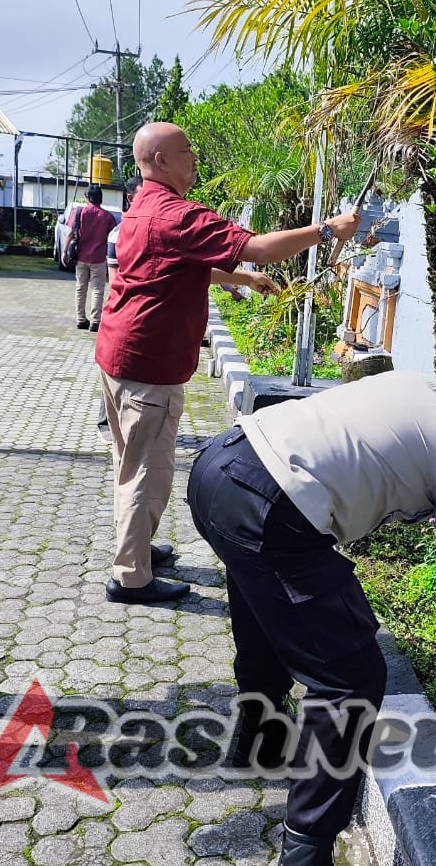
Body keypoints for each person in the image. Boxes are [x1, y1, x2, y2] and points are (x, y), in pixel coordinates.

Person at [186, 368, 436, 865]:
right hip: (276, 505)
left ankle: (260, 741)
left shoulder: (415, 385)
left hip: (219, 465)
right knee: (352, 680)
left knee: (267, 613)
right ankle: (306, 852)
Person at [96, 121, 362, 604]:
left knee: (130, 463)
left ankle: (135, 548)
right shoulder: (176, 214)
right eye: (187, 150)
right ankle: (130, 578)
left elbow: (180, 264)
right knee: (146, 470)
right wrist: (327, 230)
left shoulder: (141, 209)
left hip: (123, 357)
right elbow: (258, 245)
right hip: (148, 368)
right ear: (161, 161)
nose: (195, 158)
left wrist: (238, 277)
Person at [66, 185, 115, 331]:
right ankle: (95, 321)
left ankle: (80, 319)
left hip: (80, 256)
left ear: (87, 198)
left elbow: (70, 233)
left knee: (80, 288)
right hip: (99, 258)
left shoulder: (79, 213)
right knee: (97, 289)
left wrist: (64, 252)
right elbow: (113, 236)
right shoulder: (108, 217)